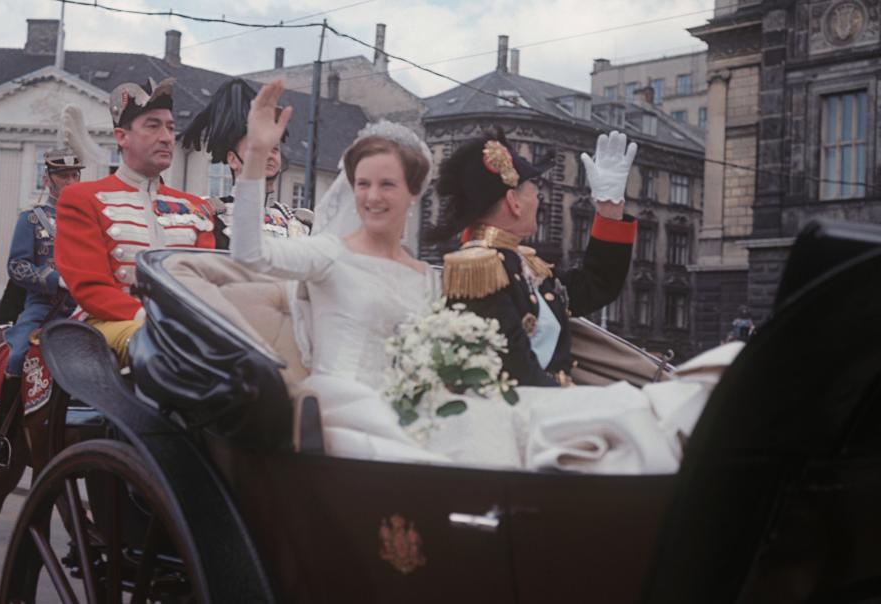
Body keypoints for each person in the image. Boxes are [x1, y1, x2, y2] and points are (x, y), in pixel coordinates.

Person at [231, 81, 735, 472]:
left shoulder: (428, 277)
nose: (371, 196)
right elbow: (250, 253)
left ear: (411, 194)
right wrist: (256, 154)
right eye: (363, 184)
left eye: (387, 184)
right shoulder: (332, 254)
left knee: (616, 411)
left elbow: (590, 287)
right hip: (350, 406)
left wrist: (609, 206)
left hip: (426, 403)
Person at [434, 132, 636, 387]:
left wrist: (609, 211)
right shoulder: (479, 269)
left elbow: (596, 286)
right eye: (534, 192)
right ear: (513, 203)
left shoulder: (521, 262)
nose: (539, 201)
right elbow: (517, 373)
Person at [55, 77, 215, 367]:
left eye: (170, 127)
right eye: (153, 126)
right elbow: (91, 288)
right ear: (121, 136)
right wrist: (157, 320)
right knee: (161, 348)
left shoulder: (195, 207)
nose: (167, 137)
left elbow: (209, 284)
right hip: (111, 323)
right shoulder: (82, 198)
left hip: (187, 328)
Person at [0, 148, 82, 469]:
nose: (71, 180)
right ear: (47, 179)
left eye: (75, 175)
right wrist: (55, 280)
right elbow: (17, 266)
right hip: (42, 308)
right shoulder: (31, 219)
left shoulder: (86, 220)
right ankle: (2, 438)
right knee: (18, 354)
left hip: (81, 309)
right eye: (64, 175)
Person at [179, 77, 311, 249]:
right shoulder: (211, 214)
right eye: (257, 148)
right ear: (233, 160)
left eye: (274, 149)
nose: (269, 155)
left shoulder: (298, 220)